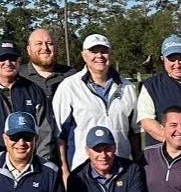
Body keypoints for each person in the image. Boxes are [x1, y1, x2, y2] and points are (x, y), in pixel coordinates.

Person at [51, 34, 140, 177]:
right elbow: (60, 135)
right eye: (93, 51)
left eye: (104, 51)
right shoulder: (69, 86)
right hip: (82, 172)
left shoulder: (128, 87)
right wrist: (65, 172)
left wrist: (138, 166)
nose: (99, 56)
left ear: (110, 54)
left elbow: (135, 133)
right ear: (84, 55)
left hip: (122, 169)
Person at [18, 28, 75, 103]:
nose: (45, 48)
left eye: (49, 43)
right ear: (29, 49)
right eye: (39, 43)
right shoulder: (18, 75)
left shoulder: (72, 75)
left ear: (56, 47)